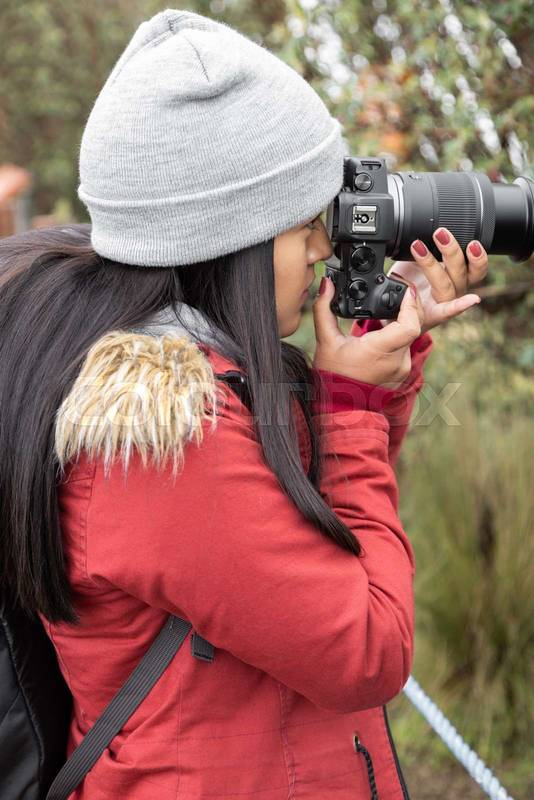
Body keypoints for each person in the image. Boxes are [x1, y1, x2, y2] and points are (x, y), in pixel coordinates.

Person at [0, 9, 488, 799]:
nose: (326, 248)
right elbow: (365, 645)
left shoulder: (196, 373)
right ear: (231, 242)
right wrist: (351, 407)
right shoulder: (159, 440)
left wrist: (369, 379)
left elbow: (314, 540)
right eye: (304, 228)